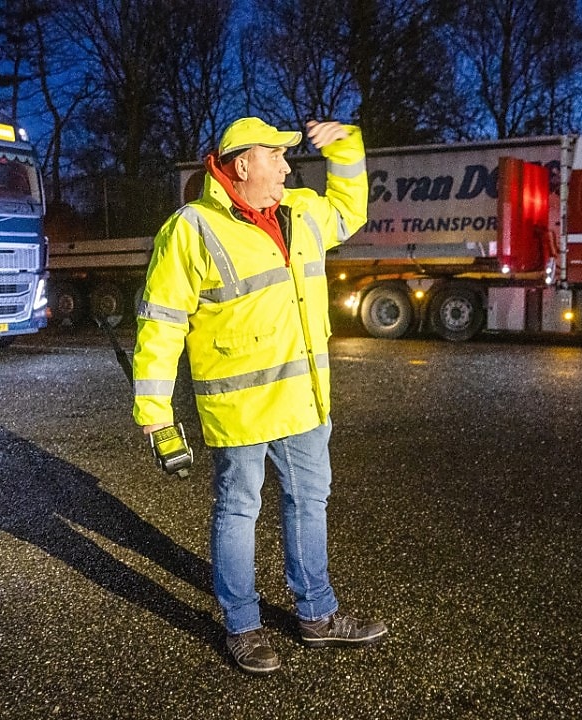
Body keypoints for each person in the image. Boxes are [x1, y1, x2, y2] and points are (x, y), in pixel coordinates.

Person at [131, 117, 388, 674]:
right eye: (276, 157)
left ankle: (317, 615)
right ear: (242, 163)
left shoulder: (301, 211)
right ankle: (242, 626)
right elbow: (161, 324)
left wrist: (346, 146)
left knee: (309, 504)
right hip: (241, 409)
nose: (288, 167)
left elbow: (350, 208)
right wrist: (154, 412)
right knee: (238, 511)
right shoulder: (191, 229)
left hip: (303, 401)